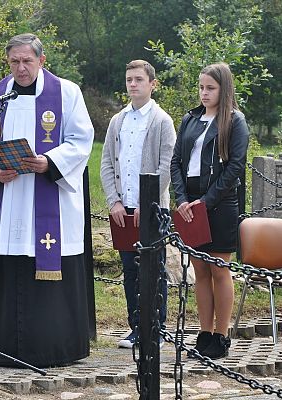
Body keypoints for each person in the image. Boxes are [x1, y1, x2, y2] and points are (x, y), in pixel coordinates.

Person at [0, 33, 94, 367]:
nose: (21, 69)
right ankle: (3, 347)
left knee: (46, 264)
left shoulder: (65, 93)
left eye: (27, 61)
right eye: (14, 62)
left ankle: (52, 350)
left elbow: (82, 139)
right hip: (8, 203)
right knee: (10, 263)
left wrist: (49, 162)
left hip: (49, 199)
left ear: (42, 60)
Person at [171, 62, 249, 359]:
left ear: (223, 88)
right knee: (200, 271)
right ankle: (204, 335)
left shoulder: (235, 121)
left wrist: (206, 200)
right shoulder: (190, 119)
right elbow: (176, 161)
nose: (204, 93)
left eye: (210, 88)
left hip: (219, 204)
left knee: (219, 270)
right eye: (201, 87)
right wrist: (181, 199)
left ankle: (221, 336)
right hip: (189, 203)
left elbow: (234, 168)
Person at [100, 60, 176, 349]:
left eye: (139, 79)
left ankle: (156, 328)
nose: (133, 84)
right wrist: (114, 201)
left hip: (153, 209)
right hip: (124, 210)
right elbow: (107, 162)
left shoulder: (161, 121)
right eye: (129, 79)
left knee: (154, 269)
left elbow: (167, 165)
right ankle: (135, 328)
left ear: (152, 84)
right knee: (130, 270)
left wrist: (150, 202)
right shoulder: (118, 121)